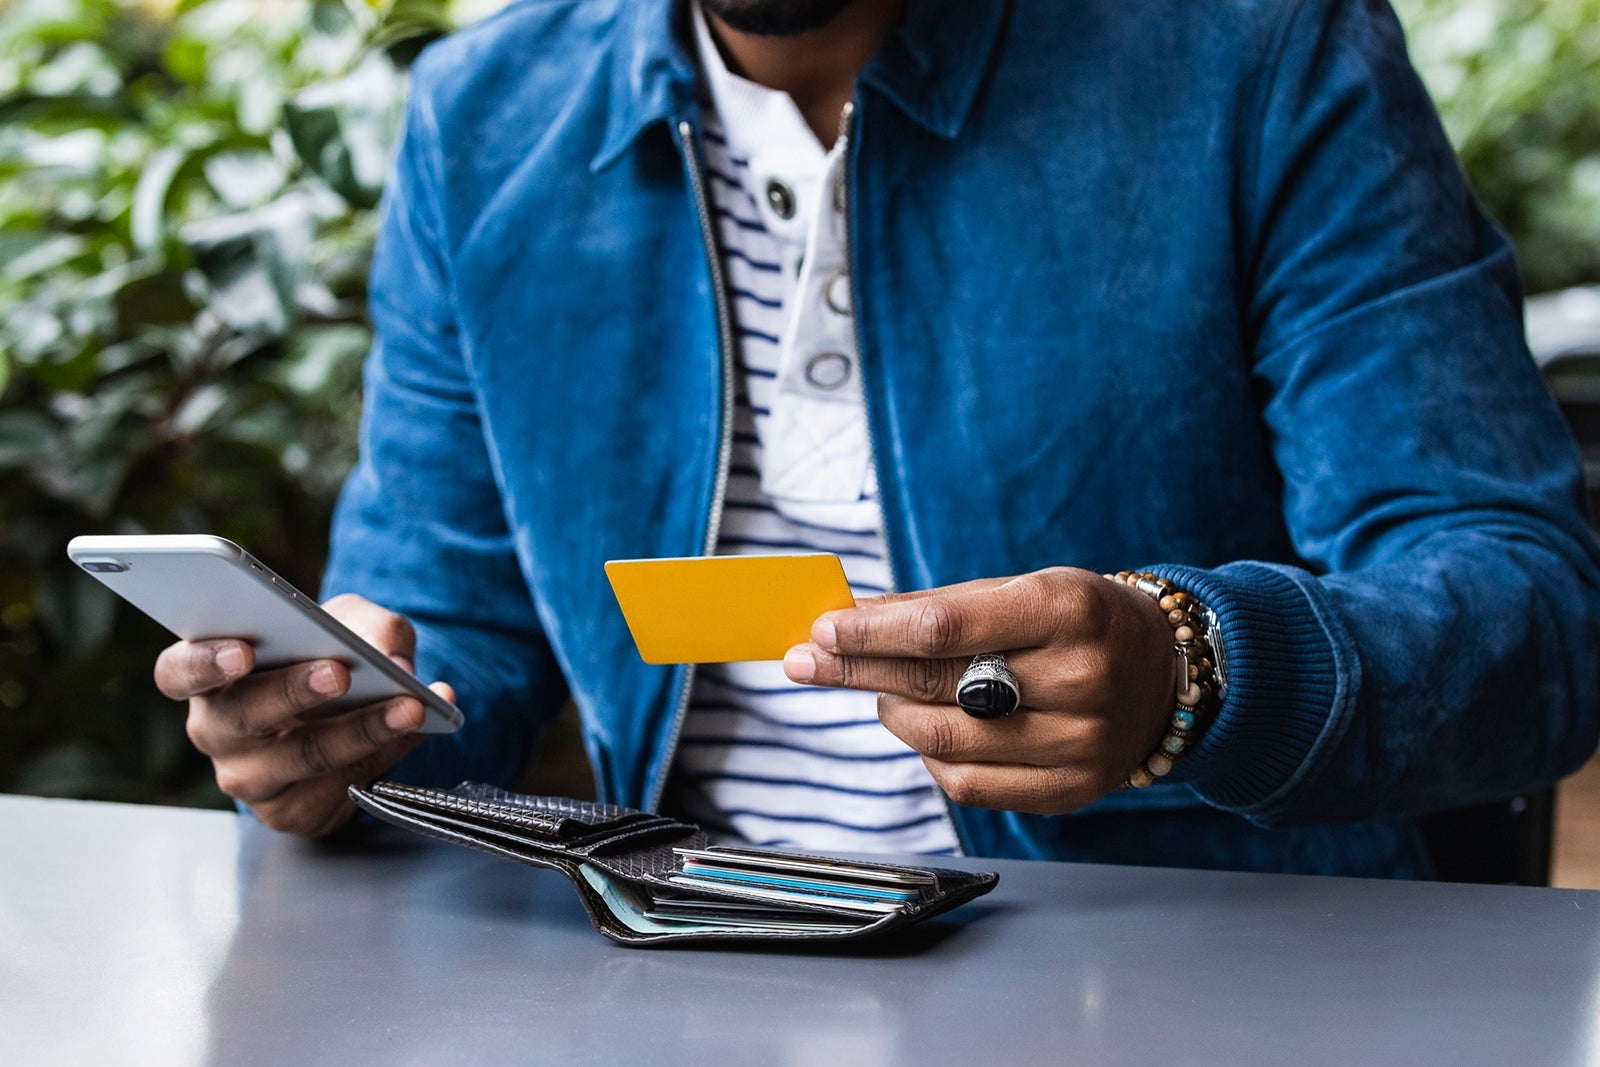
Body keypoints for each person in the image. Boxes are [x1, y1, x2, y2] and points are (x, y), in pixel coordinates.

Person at [155, 0, 1600, 875]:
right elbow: (446, 623)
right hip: (686, 962)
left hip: (1179, 973)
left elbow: (1532, 615)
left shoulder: (1266, 56)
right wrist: (334, 730)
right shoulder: (483, 124)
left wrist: (1195, 669)